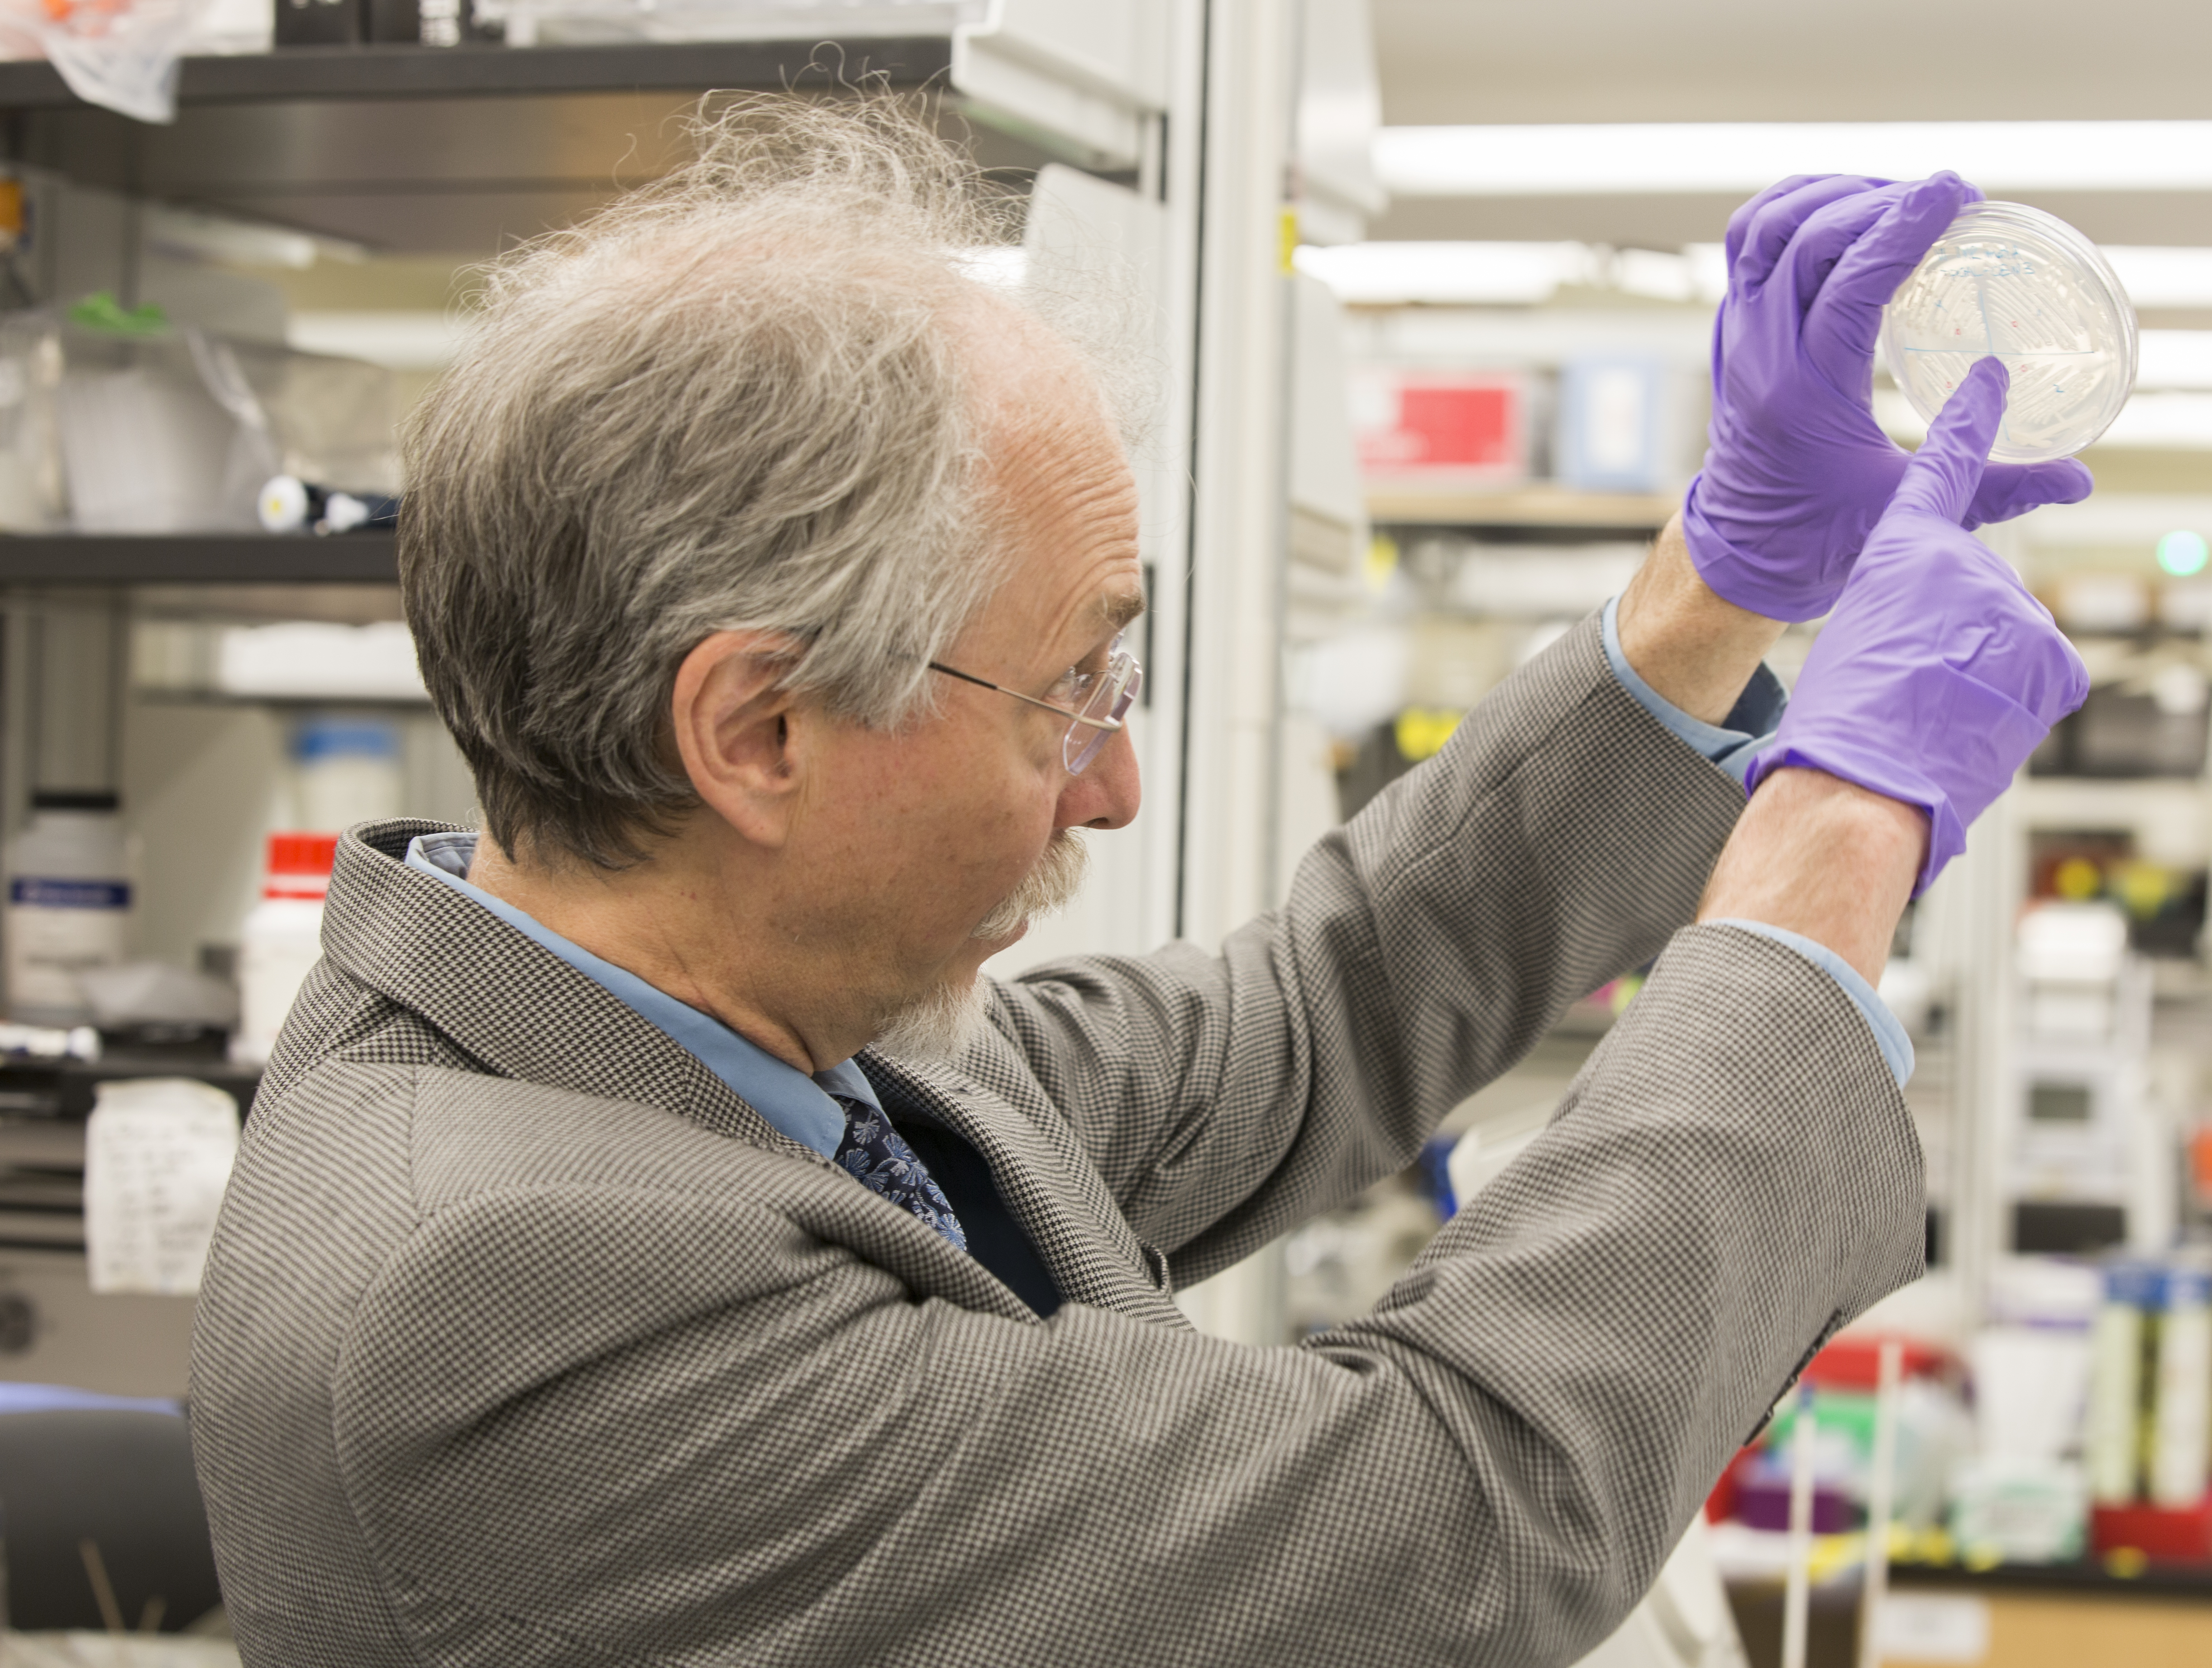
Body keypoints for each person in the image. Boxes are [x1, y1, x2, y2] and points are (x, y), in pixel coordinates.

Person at [188, 102, 2089, 1668]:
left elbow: (1322, 1009)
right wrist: (1834, 838)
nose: (1118, 780)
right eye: (1068, 685)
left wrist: (1717, 583)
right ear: (757, 731)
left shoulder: (735, 1034)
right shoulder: (511, 1286)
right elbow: (1448, 1524)